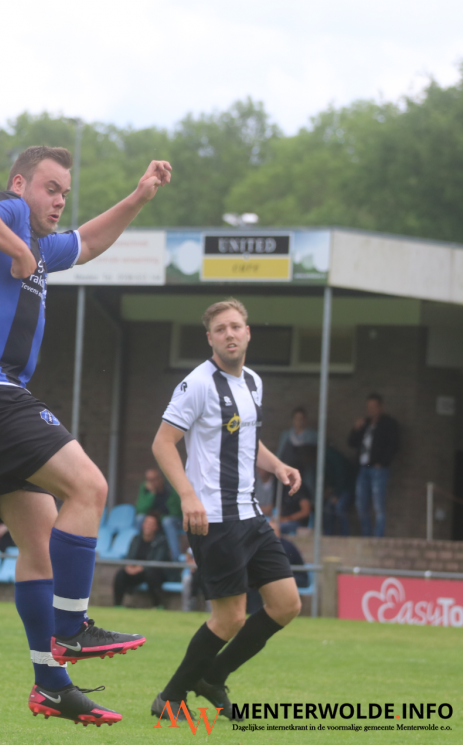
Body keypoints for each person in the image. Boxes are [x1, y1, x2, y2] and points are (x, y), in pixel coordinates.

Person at [0, 145, 171, 725]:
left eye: (65, 192)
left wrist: (139, 197)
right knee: (89, 487)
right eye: (50, 188)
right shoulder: (11, 213)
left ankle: (50, 684)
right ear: (20, 185)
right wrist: (18, 248)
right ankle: (71, 627)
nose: (59, 200)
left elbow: (88, 242)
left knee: (40, 544)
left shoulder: (45, 247)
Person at [151, 299, 304, 721]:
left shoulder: (252, 381)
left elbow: (245, 438)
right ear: (210, 339)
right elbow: (162, 443)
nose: (230, 334)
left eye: (236, 326)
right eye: (220, 329)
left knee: (286, 604)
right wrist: (188, 496)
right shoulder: (197, 384)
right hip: (214, 519)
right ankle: (169, 698)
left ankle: (212, 677)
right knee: (230, 618)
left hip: (250, 514)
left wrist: (278, 465)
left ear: (248, 332)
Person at [348, 393, 400, 537]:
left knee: (378, 504)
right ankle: (366, 535)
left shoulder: (389, 423)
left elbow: (394, 445)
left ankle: (378, 536)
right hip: (363, 468)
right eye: (368, 407)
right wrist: (356, 429)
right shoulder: (365, 424)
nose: (370, 410)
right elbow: (352, 443)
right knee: (360, 504)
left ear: (380, 407)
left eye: (374, 406)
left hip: (378, 469)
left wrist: (382, 462)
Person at [246, 519, 309, 614]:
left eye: (272, 530)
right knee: (252, 583)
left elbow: (279, 569)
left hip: (297, 577)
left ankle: (275, 613)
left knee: (262, 581)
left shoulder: (286, 546)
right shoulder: (261, 545)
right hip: (276, 575)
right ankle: (254, 612)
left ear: (278, 531)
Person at [112, 512, 172, 608]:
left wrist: (142, 568)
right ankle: (117, 605)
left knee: (151, 574)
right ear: (143, 524)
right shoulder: (136, 539)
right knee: (121, 574)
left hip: (155, 572)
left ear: (156, 527)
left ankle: (157, 605)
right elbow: (129, 556)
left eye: (151, 524)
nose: (148, 526)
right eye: (146, 523)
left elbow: (158, 561)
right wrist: (129, 566)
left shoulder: (161, 541)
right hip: (137, 571)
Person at [134, 467, 182, 560]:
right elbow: (140, 509)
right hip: (153, 519)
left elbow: (177, 512)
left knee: (167, 521)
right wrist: (152, 493)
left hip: (171, 520)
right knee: (140, 518)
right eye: (148, 480)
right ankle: (137, 553)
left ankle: (175, 558)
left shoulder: (170, 488)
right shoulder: (145, 488)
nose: (150, 482)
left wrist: (161, 516)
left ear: (160, 479)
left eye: (153, 479)